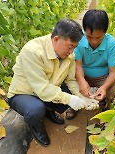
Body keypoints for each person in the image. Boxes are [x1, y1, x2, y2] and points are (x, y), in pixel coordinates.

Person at [7, 19, 98, 147]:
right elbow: (42, 88)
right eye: (70, 47)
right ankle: (36, 127)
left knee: (68, 91)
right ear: (56, 39)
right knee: (35, 109)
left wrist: (81, 96)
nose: (71, 52)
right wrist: (70, 99)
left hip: (48, 90)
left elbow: (71, 80)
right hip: (24, 94)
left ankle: (48, 109)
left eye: (74, 47)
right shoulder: (32, 52)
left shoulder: (68, 55)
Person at [74, 9, 115, 110]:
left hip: (103, 78)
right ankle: (73, 106)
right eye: (89, 37)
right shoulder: (78, 39)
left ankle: (106, 105)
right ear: (84, 30)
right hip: (82, 75)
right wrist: (81, 81)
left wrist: (105, 87)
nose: (94, 41)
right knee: (68, 85)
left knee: (114, 90)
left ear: (105, 32)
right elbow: (78, 65)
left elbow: (113, 71)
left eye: (99, 37)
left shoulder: (111, 43)